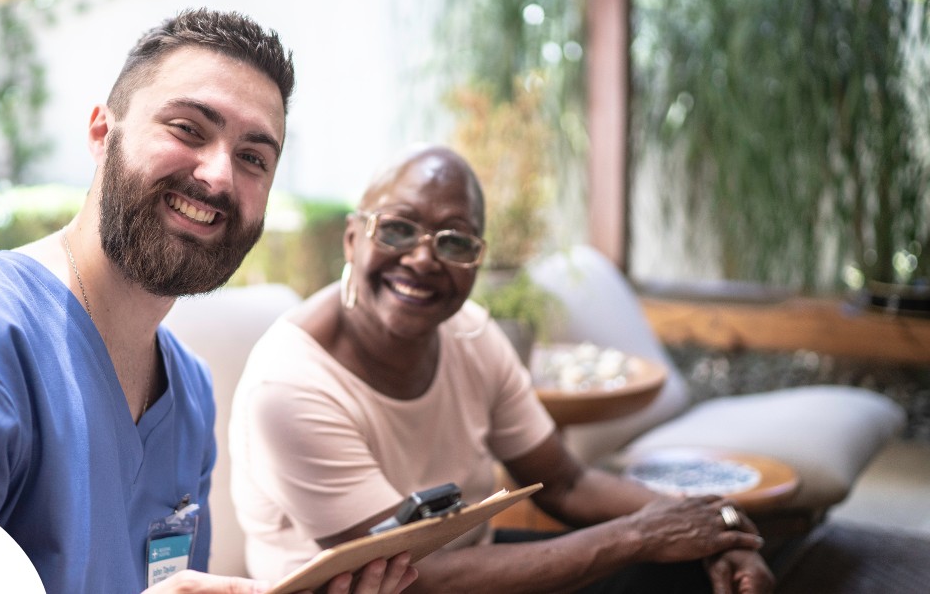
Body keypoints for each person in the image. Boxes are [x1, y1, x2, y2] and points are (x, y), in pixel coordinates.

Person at [0, 8, 416, 594]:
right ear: (102, 132)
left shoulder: (189, 395)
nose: (219, 176)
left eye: (253, 157)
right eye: (187, 129)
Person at [229, 144, 775, 593]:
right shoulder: (291, 385)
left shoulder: (471, 333)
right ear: (353, 238)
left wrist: (713, 529)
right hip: (385, 588)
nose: (423, 258)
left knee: (688, 574)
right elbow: (407, 575)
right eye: (397, 229)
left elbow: (566, 482)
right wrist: (639, 536)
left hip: (468, 568)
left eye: (454, 241)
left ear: (477, 260)